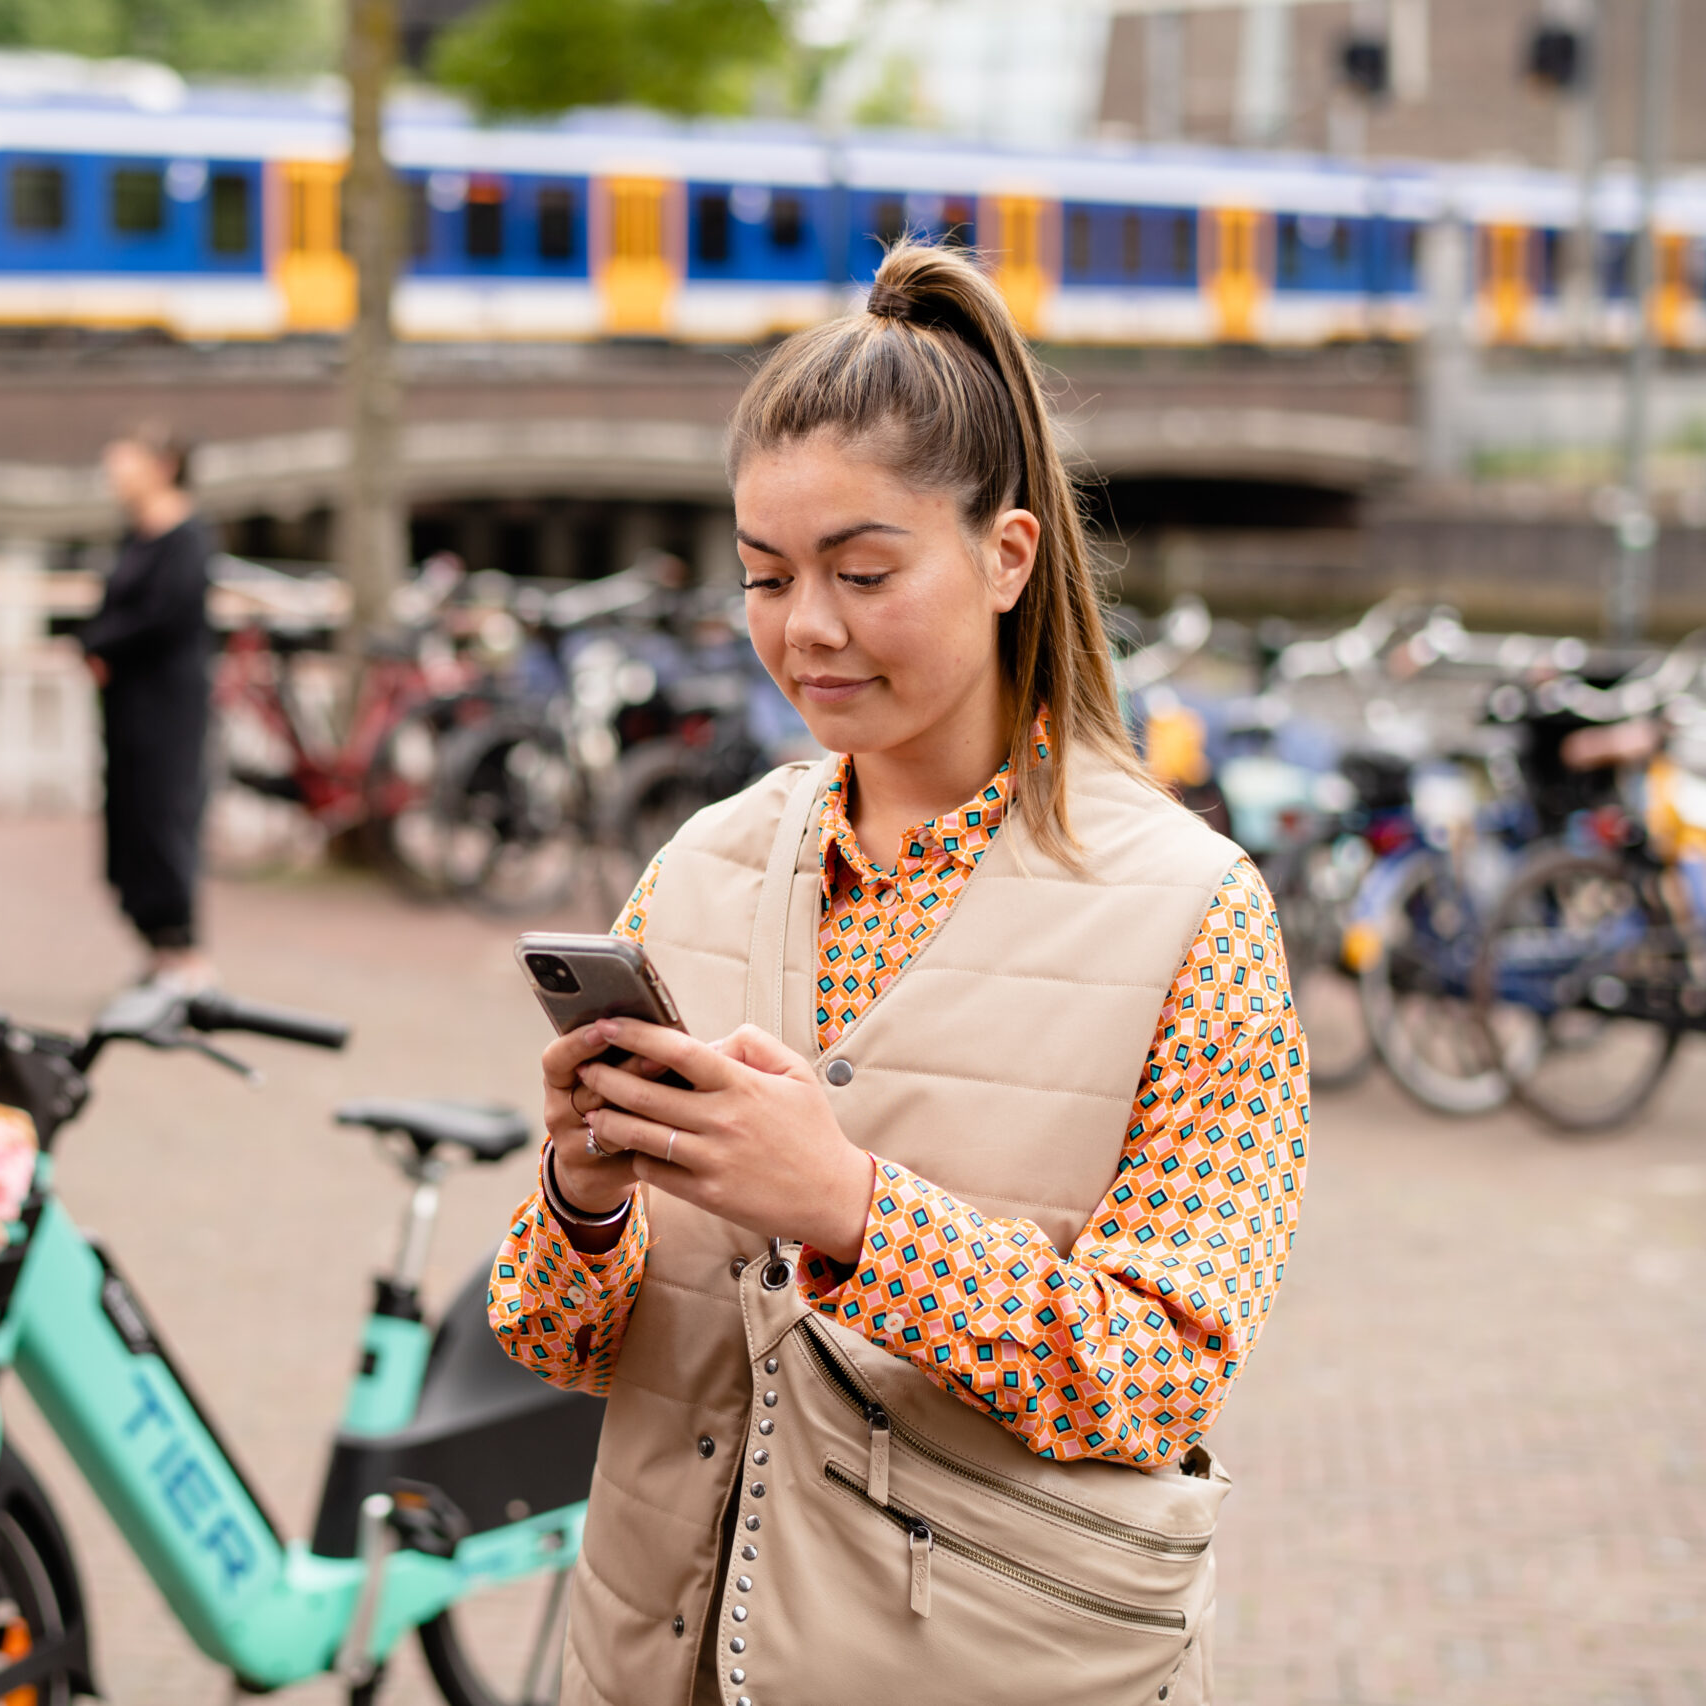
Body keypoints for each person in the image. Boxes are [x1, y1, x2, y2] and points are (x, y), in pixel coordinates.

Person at [490, 241, 1309, 1705]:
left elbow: (1160, 1375)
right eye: (764, 575)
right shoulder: (702, 866)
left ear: (1008, 555)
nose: (807, 627)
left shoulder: (1197, 915)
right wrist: (586, 1188)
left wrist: (853, 1212)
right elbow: (554, 1335)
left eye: (865, 571)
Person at [82, 422, 217, 990]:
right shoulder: (134, 534)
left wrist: (101, 644)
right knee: (132, 815)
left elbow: (166, 614)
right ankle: (157, 946)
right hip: (127, 704)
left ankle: (184, 951)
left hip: (166, 704)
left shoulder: (186, 537)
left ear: (162, 465)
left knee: (164, 812)